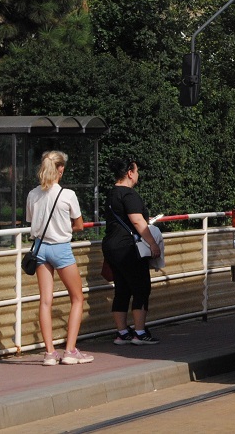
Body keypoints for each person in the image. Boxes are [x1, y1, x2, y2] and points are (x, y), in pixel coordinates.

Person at [27, 151, 92, 366]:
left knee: (45, 300)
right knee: (77, 298)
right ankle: (71, 350)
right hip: (60, 248)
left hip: (39, 248)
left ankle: (49, 353)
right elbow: (79, 225)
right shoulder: (67, 194)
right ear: (60, 169)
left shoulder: (33, 194)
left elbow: (31, 221)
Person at [103, 158, 161, 345]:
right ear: (129, 173)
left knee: (122, 289)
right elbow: (137, 221)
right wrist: (152, 244)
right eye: (136, 171)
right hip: (128, 247)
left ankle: (122, 332)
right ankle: (140, 332)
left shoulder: (112, 193)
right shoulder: (130, 194)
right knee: (141, 288)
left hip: (111, 246)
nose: (138, 174)